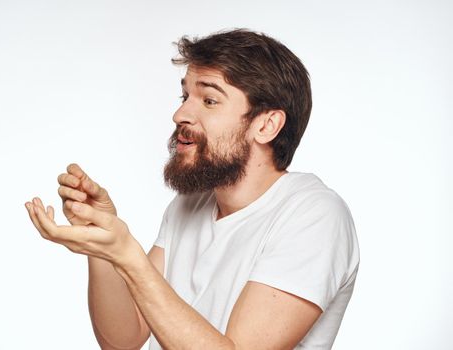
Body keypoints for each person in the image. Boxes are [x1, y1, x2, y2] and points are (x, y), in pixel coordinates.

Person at [25, 29, 360, 350]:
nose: (180, 114)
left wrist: (129, 256)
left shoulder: (314, 216)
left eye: (210, 100)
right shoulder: (189, 205)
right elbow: (122, 341)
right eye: (185, 96)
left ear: (266, 125)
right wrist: (102, 246)